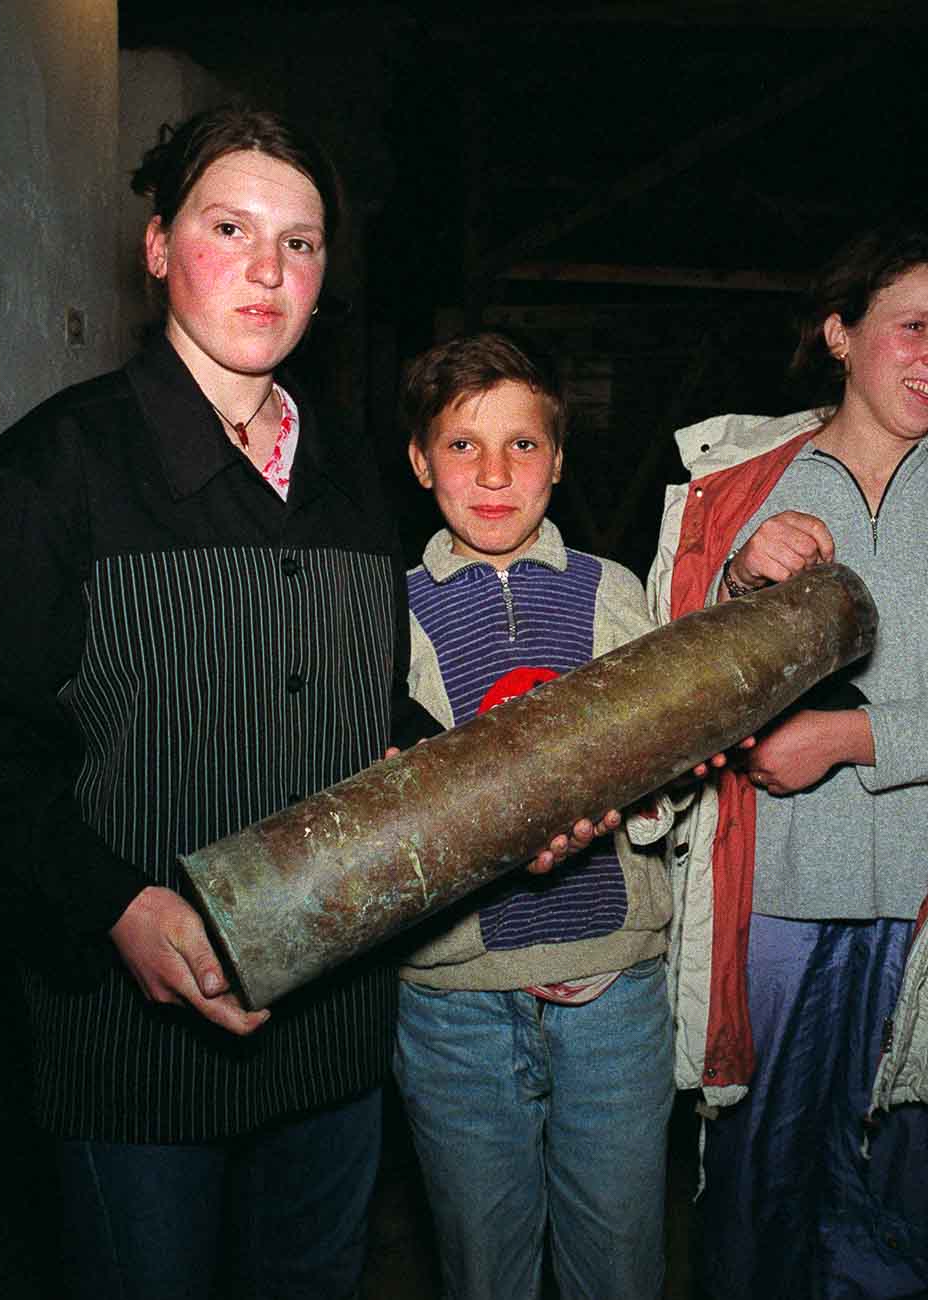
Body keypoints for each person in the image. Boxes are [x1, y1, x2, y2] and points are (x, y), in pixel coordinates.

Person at [0, 111, 607, 1300]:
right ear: (156, 246)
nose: (269, 270)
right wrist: (116, 907)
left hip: (333, 1044)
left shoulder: (349, 486)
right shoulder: (44, 474)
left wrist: (499, 793)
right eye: (230, 228)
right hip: (135, 1046)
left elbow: (371, 712)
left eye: (302, 243)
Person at [648, 226, 928, 1297]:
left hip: (921, 896)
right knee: (758, 1178)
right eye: (913, 327)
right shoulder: (743, 483)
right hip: (778, 900)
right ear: (841, 334)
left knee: (895, 1190)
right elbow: (670, 678)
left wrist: (853, 738)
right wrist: (744, 578)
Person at [392, 332, 681, 1299]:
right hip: (456, 1000)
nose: (492, 473)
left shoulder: (613, 591)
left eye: (522, 445)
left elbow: (667, 771)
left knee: (619, 1259)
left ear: (557, 460)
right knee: (483, 1264)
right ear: (420, 461)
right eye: (462, 445)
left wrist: (643, 794)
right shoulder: (386, 616)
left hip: (613, 992)